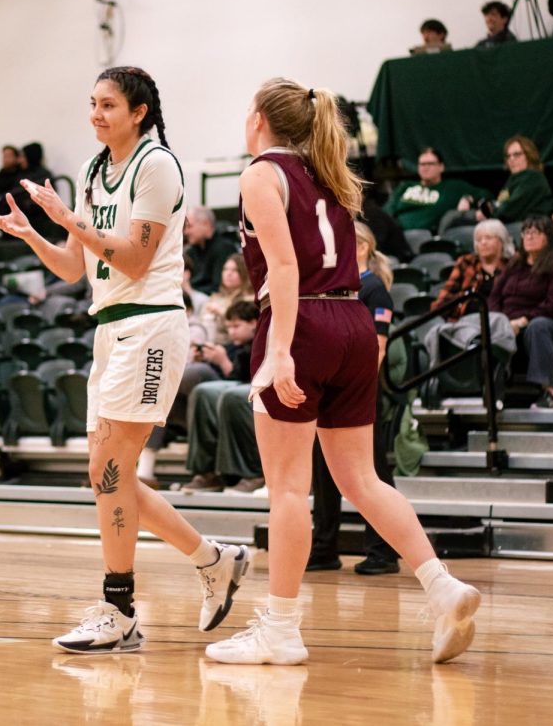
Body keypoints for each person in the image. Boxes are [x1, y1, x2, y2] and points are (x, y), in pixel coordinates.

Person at [203, 77, 479, 667]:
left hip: (301, 325)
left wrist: (278, 351)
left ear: (258, 121)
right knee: (363, 480)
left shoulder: (260, 174)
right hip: (353, 324)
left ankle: (279, 628)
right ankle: (441, 585)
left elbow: (282, 265)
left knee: (288, 490)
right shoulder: (332, 173)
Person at [0, 65, 248, 655]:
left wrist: (66, 218)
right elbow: (75, 266)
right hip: (109, 329)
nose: (96, 114)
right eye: (92, 103)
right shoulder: (90, 169)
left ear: (140, 112)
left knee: (109, 470)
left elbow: (134, 260)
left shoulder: (157, 165)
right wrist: (34, 234)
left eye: (108, 104)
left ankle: (120, 608)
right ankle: (214, 560)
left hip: (151, 323)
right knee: (112, 476)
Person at [308, 221, 401, 575]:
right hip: (328, 389)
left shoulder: (375, 289)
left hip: (359, 393)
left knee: (372, 471)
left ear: (360, 246)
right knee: (323, 470)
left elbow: (378, 348)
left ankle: (384, 551)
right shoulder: (337, 285)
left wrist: (354, 390)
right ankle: (324, 548)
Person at [489, 217, 553, 408]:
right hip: (511, 324)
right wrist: (500, 320)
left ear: (548, 237)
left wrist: (522, 321)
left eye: (535, 232)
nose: (529, 236)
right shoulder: (516, 263)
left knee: (538, 326)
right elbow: (494, 296)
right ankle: (492, 391)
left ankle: (549, 392)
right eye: (526, 232)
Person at [175, 300, 262, 494]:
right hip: (238, 385)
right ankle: (208, 471)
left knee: (233, 397)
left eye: (237, 326)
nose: (232, 332)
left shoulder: (259, 341)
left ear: (254, 323)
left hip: (261, 383)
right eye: (229, 327)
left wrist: (223, 361)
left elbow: (250, 375)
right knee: (202, 391)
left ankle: (252, 473)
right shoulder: (232, 346)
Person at [383, 147, 486, 232]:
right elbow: (386, 211)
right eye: (422, 164)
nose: (425, 167)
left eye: (430, 164)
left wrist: (468, 198)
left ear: (441, 167)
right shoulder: (405, 186)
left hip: (427, 235)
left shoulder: (454, 187)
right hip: (397, 233)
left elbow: (486, 194)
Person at [431, 219, 513, 318]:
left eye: (488, 238)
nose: (483, 242)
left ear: (501, 241)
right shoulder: (467, 263)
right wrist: (464, 298)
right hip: (465, 319)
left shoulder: (512, 266)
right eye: (479, 239)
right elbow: (443, 299)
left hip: (500, 320)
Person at [200, 254, 255, 344]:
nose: (228, 274)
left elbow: (244, 329)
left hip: (232, 347)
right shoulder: (215, 297)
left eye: (235, 270)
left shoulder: (249, 300)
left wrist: (222, 313)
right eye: (225, 269)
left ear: (244, 272)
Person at [183, 207, 240, 295]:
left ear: (206, 224)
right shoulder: (191, 251)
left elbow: (219, 288)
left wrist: (190, 291)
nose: (186, 232)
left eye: (190, 226)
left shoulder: (224, 248)